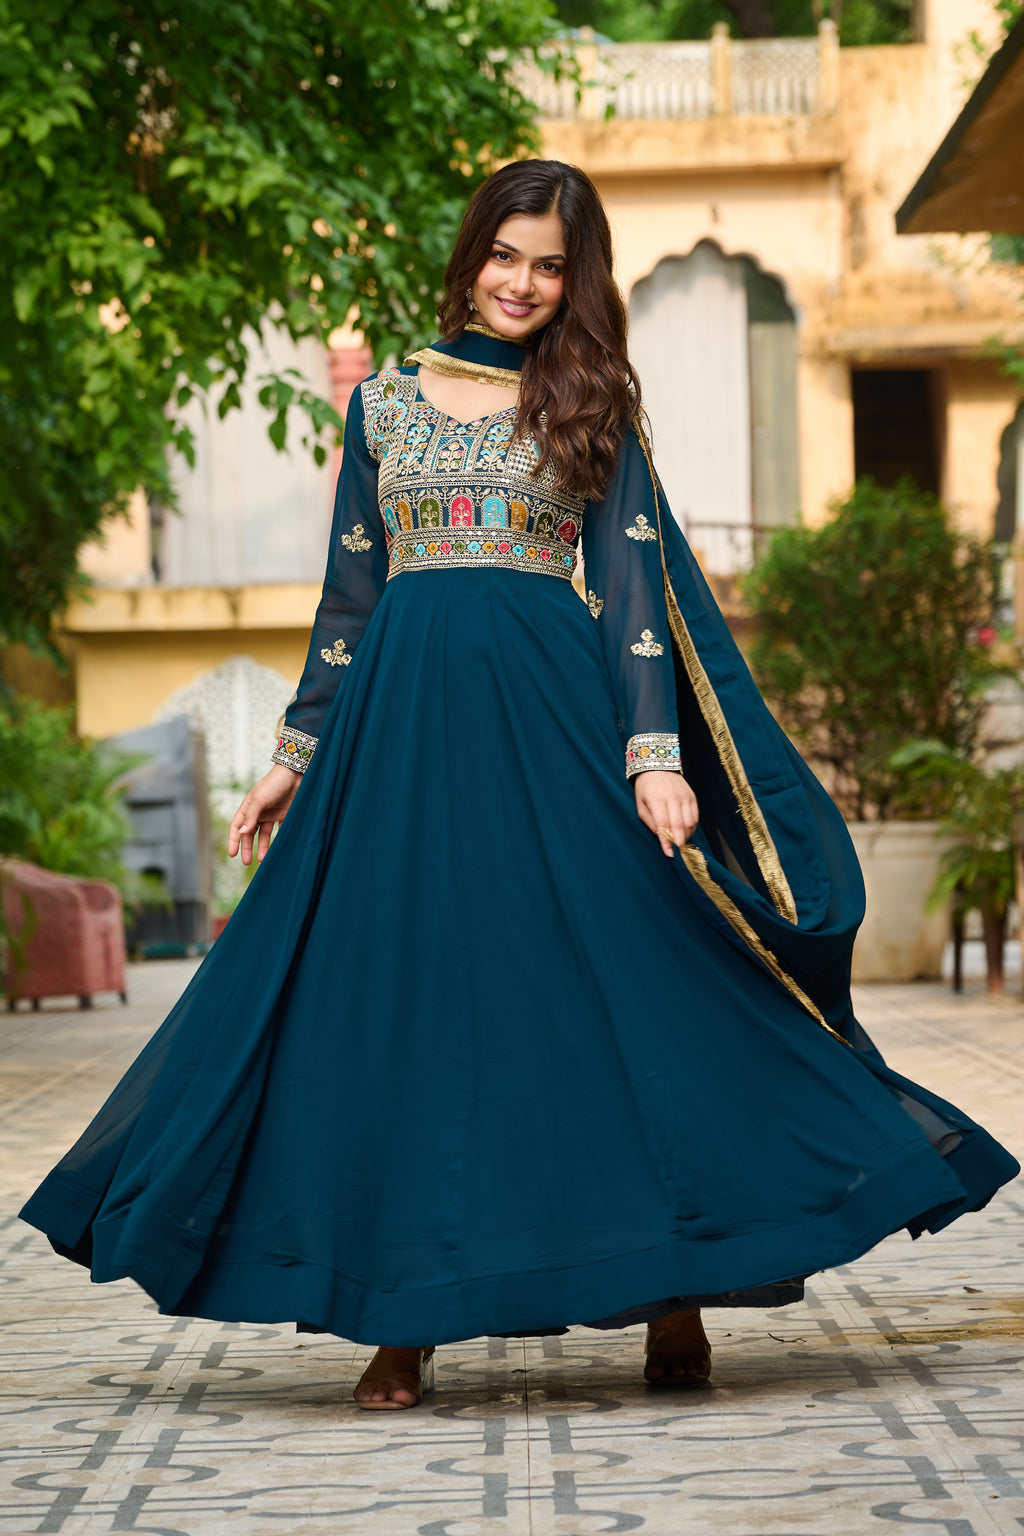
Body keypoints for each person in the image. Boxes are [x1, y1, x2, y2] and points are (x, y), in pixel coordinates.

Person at [21, 160, 1018, 1412]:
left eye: (551, 266)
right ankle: (401, 1322)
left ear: (575, 279)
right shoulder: (380, 404)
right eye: (507, 255)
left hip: (556, 732)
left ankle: (673, 1290)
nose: (523, 283)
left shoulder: (591, 397)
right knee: (403, 1013)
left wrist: (654, 762)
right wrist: (291, 758)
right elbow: (349, 601)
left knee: (627, 996)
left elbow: (637, 600)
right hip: (400, 744)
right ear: (471, 251)